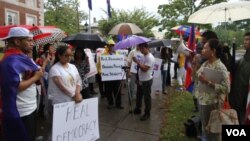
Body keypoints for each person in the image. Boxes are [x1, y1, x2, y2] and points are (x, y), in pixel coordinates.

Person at [0, 27, 44, 141]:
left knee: (30, 135)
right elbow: (16, 86)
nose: (32, 43)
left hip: (30, 107)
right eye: (29, 40)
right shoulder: (11, 61)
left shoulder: (22, 57)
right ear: (17, 41)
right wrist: (36, 77)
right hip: (21, 111)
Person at [196, 39, 230, 141]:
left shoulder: (221, 67)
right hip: (202, 100)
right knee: (205, 128)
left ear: (213, 51)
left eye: (206, 48)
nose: (202, 50)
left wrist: (209, 83)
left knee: (212, 131)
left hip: (212, 104)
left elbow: (227, 89)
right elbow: (198, 76)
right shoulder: (205, 63)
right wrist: (195, 67)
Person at [229, 32, 250, 124]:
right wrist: (228, 55)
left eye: (248, 39)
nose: (245, 42)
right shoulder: (245, 57)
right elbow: (232, 67)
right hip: (237, 96)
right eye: (245, 39)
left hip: (245, 99)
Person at [96, 39, 124, 109]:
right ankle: (110, 103)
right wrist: (101, 73)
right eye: (110, 45)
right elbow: (99, 66)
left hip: (116, 77)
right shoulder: (102, 55)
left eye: (113, 45)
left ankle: (118, 104)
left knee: (117, 90)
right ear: (107, 46)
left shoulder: (118, 55)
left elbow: (120, 65)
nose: (111, 47)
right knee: (108, 91)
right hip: (107, 77)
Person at [132, 43, 155, 121]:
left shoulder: (150, 57)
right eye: (140, 48)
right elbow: (140, 67)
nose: (141, 50)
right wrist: (137, 78)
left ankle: (147, 113)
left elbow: (145, 69)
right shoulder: (143, 56)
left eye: (142, 48)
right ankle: (138, 109)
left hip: (147, 80)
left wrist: (137, 62)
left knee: (147, 98)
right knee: (138, 96)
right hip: (141, 80)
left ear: (147, 48)